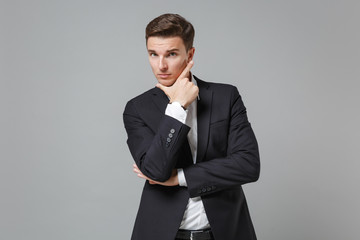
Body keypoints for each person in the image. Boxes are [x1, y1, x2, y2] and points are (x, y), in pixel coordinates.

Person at [123, 13, 260, 240]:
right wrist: (177, 107)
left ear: (190, 54)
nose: (161, 65)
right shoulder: (137, 109)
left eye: (172, 54)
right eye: (153, 54)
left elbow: (248, 165)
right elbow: (156, 171)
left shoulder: (226, 97)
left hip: (226, 232)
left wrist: (180, 177)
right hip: (163, 234)